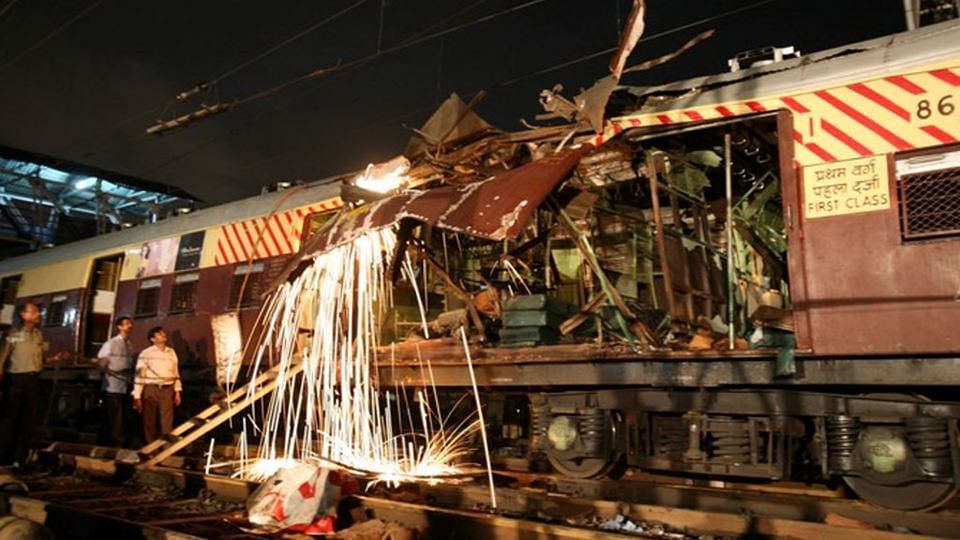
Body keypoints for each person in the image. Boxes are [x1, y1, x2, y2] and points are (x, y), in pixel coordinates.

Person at [0, 302, 49, 466]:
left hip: (32, 379)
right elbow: (2, 358)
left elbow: (41, 357)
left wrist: (54, 359)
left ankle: (19, 458)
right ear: (23, 315)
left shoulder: (38, 335)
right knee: (10, 418)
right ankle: (4, 456)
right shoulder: (13, 334)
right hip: (14, 379)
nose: (38, 314)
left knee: (27, 420)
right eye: (34, 311)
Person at [132, 326, 182, 444]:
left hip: (167, 388)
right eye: (159, 334)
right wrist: (137, 396)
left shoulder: (171, 352)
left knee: (166, 420)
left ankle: (165, 446)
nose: (163, 334)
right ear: (152, 339)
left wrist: (177, 391)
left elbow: (175, 372)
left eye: (163, 333)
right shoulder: (146, 353)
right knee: (149, 419)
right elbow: (140, 375)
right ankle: (150, 445)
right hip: (151, 388)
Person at [96, 316, 134, 447]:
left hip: (124, 385)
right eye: (127, 324)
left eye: (130, 323)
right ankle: (112, 443)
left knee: (121, 416)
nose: (130, 325)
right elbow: (101, 361)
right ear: (119, 327)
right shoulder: (111, 343)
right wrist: (105, 369)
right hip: (112, 386)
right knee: (113, 416)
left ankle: (115, 440)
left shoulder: (129, 345)